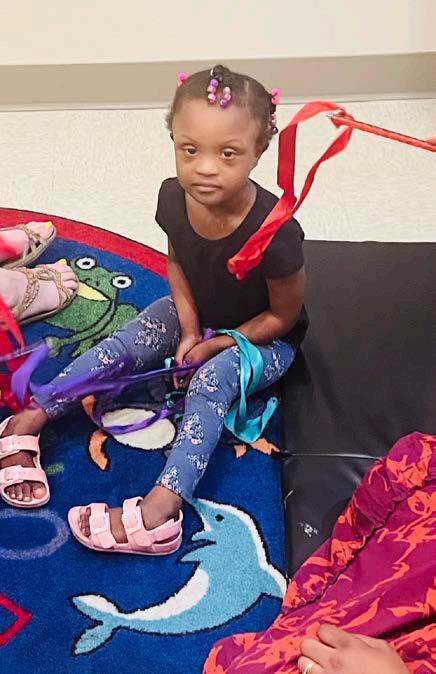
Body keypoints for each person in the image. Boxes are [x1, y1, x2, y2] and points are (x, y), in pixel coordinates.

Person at [0, 65, 307, 553]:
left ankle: (160, 512)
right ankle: (31, 417)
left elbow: (282, 318)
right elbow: (178, 263)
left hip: (262, 339)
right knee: (124, 343)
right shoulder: (173, 195)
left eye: (228, 153)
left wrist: (214, 346)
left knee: (212, 382)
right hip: (200, 314)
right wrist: (188, 328)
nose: (205, 168)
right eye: (191, 149)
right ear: (173, 141)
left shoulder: (277, 232)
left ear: (259, 150)